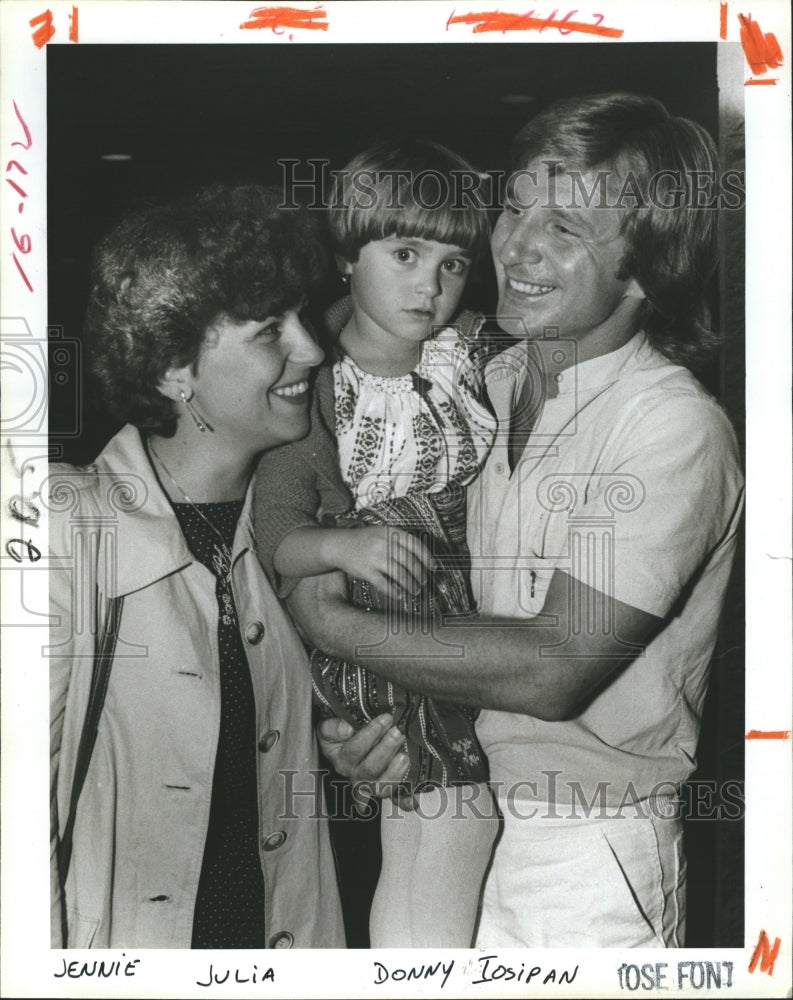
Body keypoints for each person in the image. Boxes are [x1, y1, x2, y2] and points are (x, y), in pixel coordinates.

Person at [286, 93, 745, 948]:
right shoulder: (480, 383)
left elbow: (552, 667)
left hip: (584, 857)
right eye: (514, 207)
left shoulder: (668, 426)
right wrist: (366, 731)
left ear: (647, 267)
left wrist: (330, 623)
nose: (514, 246)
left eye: (565, 230)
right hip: (453, 810)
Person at [48, 185, 345, 949]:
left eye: (305, 319)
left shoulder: (305, 532)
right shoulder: (59, 529)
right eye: (269, 331)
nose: (312, 349)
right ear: (174, 367)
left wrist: (355, 761)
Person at [254, 138, 499, 948]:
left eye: (453, 263)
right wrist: (340, 550)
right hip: (378, 606)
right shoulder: (313, 382)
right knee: (447, 810)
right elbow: (277, 534)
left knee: (449, 816)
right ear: (343, 256)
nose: (430, 286)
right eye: (403, 252)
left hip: (456, 600)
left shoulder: (468, 350)